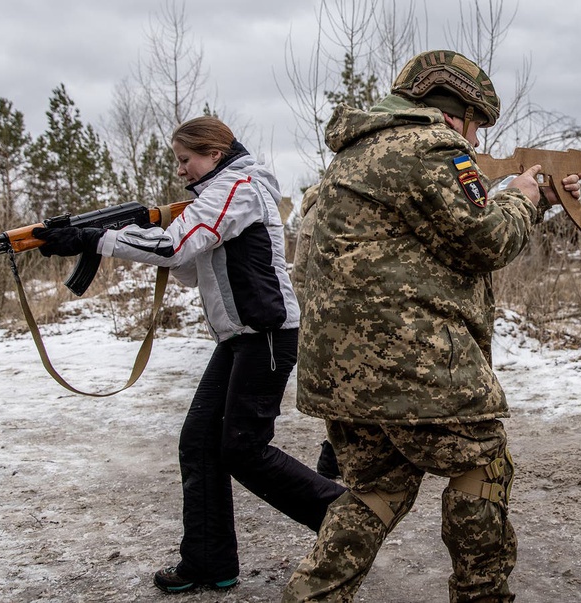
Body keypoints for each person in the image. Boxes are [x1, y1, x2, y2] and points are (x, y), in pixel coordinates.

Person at [282, 50, 581, 603]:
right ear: (456, 112)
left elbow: (437, 233)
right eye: (474, 127)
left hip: (345, 374)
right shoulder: (429, 147)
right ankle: (482, 594)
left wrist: (531, 201)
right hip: (413, 364)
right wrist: (521, 196)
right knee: (482, 463)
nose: (473, 140)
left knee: (378, 488)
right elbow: (485, 239)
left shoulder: (352, 159)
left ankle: (311, 595)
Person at [32, 116, 346, 595]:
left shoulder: (239, 187)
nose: (181, 171)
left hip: (266, 334)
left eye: (186, 160)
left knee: (243, 448)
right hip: (240, 337)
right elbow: (187, 267)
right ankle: (208, 562)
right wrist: (133, 230)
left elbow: (177, 247)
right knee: (199, 443)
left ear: (213, 154)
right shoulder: (215, 194)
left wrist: (97, 238)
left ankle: (347, 520)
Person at [291, 183, 340, 480]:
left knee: (338, 387)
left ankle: (333, 455)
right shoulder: (331, 206)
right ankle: (334, 456)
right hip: (332, 308)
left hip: (313, 310)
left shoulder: (314, 207)